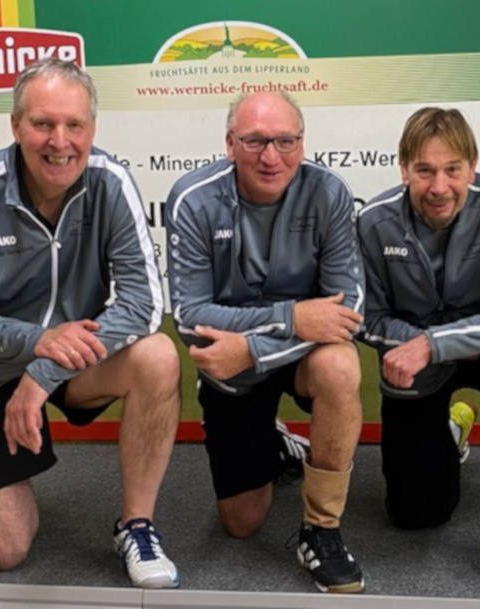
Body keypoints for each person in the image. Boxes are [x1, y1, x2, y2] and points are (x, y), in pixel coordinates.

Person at [0, 58, 180, 588]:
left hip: (69, 361)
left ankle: (137, 525)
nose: (60, 141)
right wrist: (35, 340)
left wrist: (42, 371)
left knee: (158, 355)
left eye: (74, 125)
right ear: (16, 127)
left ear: (92, 128)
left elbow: (145, 305)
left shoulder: (112, 183)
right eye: (42, 124)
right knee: (6, 550)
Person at [164, 91, 365, 594]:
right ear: (230, 144)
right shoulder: (193, 198)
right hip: (232, 372)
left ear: (301, 143)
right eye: (254, 141)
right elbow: (191, 318)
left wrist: (253, 347)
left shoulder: (330, 193)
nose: (270, 156)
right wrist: (293, 316)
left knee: (341, 367)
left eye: (285, 141)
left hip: (285, 357)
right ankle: (278, 443)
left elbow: (347, 312)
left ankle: (321, 530)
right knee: (242, 523)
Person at [358, 107, 480, 592]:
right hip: (415, 360)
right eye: (424, 170)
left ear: (472, 165)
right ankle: (452, 428)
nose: (439, 186)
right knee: (414, 516)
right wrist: (422, 347)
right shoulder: (373, 221)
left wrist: (438, 343)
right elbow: (366, 319)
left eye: (452, 170)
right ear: (403, 169)